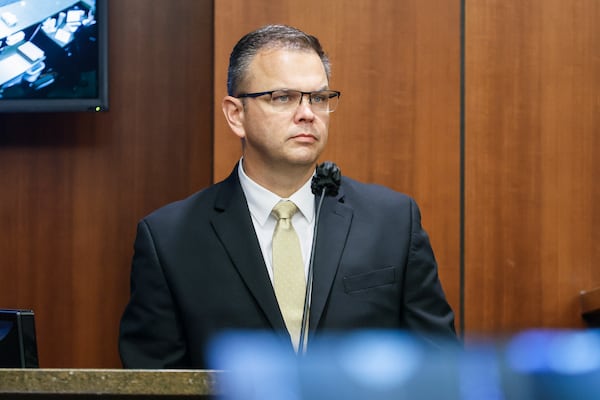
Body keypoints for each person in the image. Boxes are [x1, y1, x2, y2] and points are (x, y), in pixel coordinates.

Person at [119, 24, 457, 369]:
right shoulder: (168, 238)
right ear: (236, 114)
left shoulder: (393, 221)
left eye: (319, 98)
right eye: (283, 98)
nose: (307, 113)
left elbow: (439, 367)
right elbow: (154, 382)